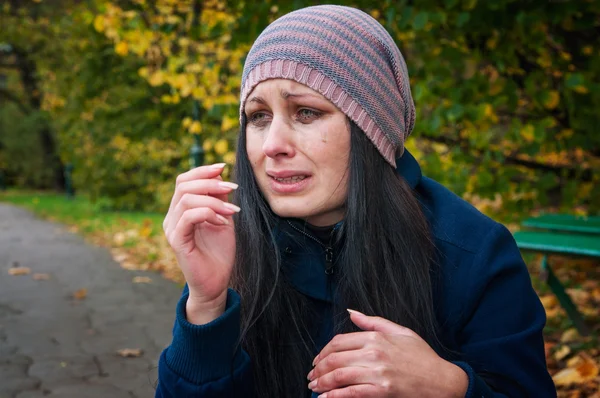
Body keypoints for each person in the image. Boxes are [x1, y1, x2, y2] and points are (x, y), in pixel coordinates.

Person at [156, 5, 556, 398]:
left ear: (371, 129)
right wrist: (207, 305)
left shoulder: (473, 254)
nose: (272, 145)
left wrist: (451, 387)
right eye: (258, 117)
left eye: (306, 112)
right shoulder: (233, 240)